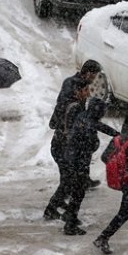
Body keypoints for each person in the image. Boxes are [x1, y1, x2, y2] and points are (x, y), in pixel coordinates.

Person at [93, 113, 128, 255]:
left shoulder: (116, 140)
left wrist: (120, 167)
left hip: (122, 181)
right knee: (125, 211)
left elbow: (105, 157)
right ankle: (103, 237)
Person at [62, 98, 119, 235]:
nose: (104, 113)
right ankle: (70, 225)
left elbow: (100, 126)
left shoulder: (84, 116)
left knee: (77, 191)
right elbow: (92, 140)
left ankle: (69, 216)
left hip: (72, 158)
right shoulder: (89, 125)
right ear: (97, 111)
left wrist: (117, 134)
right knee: (78, 192)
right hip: (78, 161)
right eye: (103, 110)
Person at [48, 61, 104, 191]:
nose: (94, 79)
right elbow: (62, 103)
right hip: (65, 132)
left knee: (83, 156)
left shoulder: (82, 86)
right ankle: (64, 192)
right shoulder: (72, 85)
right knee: (67, 164)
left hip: (72, 129)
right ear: (88, 73)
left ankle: (83, 181)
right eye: (94, 75)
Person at [43, 79, 90, 220]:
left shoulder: (63, 103)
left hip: (57, 146)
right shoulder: (76, 107)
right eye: (86, 90)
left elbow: (52, 124)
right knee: (68, 180)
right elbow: (74, 131)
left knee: (67, 179)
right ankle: (50, 209)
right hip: (64, 148)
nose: (88, 93)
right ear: (78, 92)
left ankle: (57, 203)